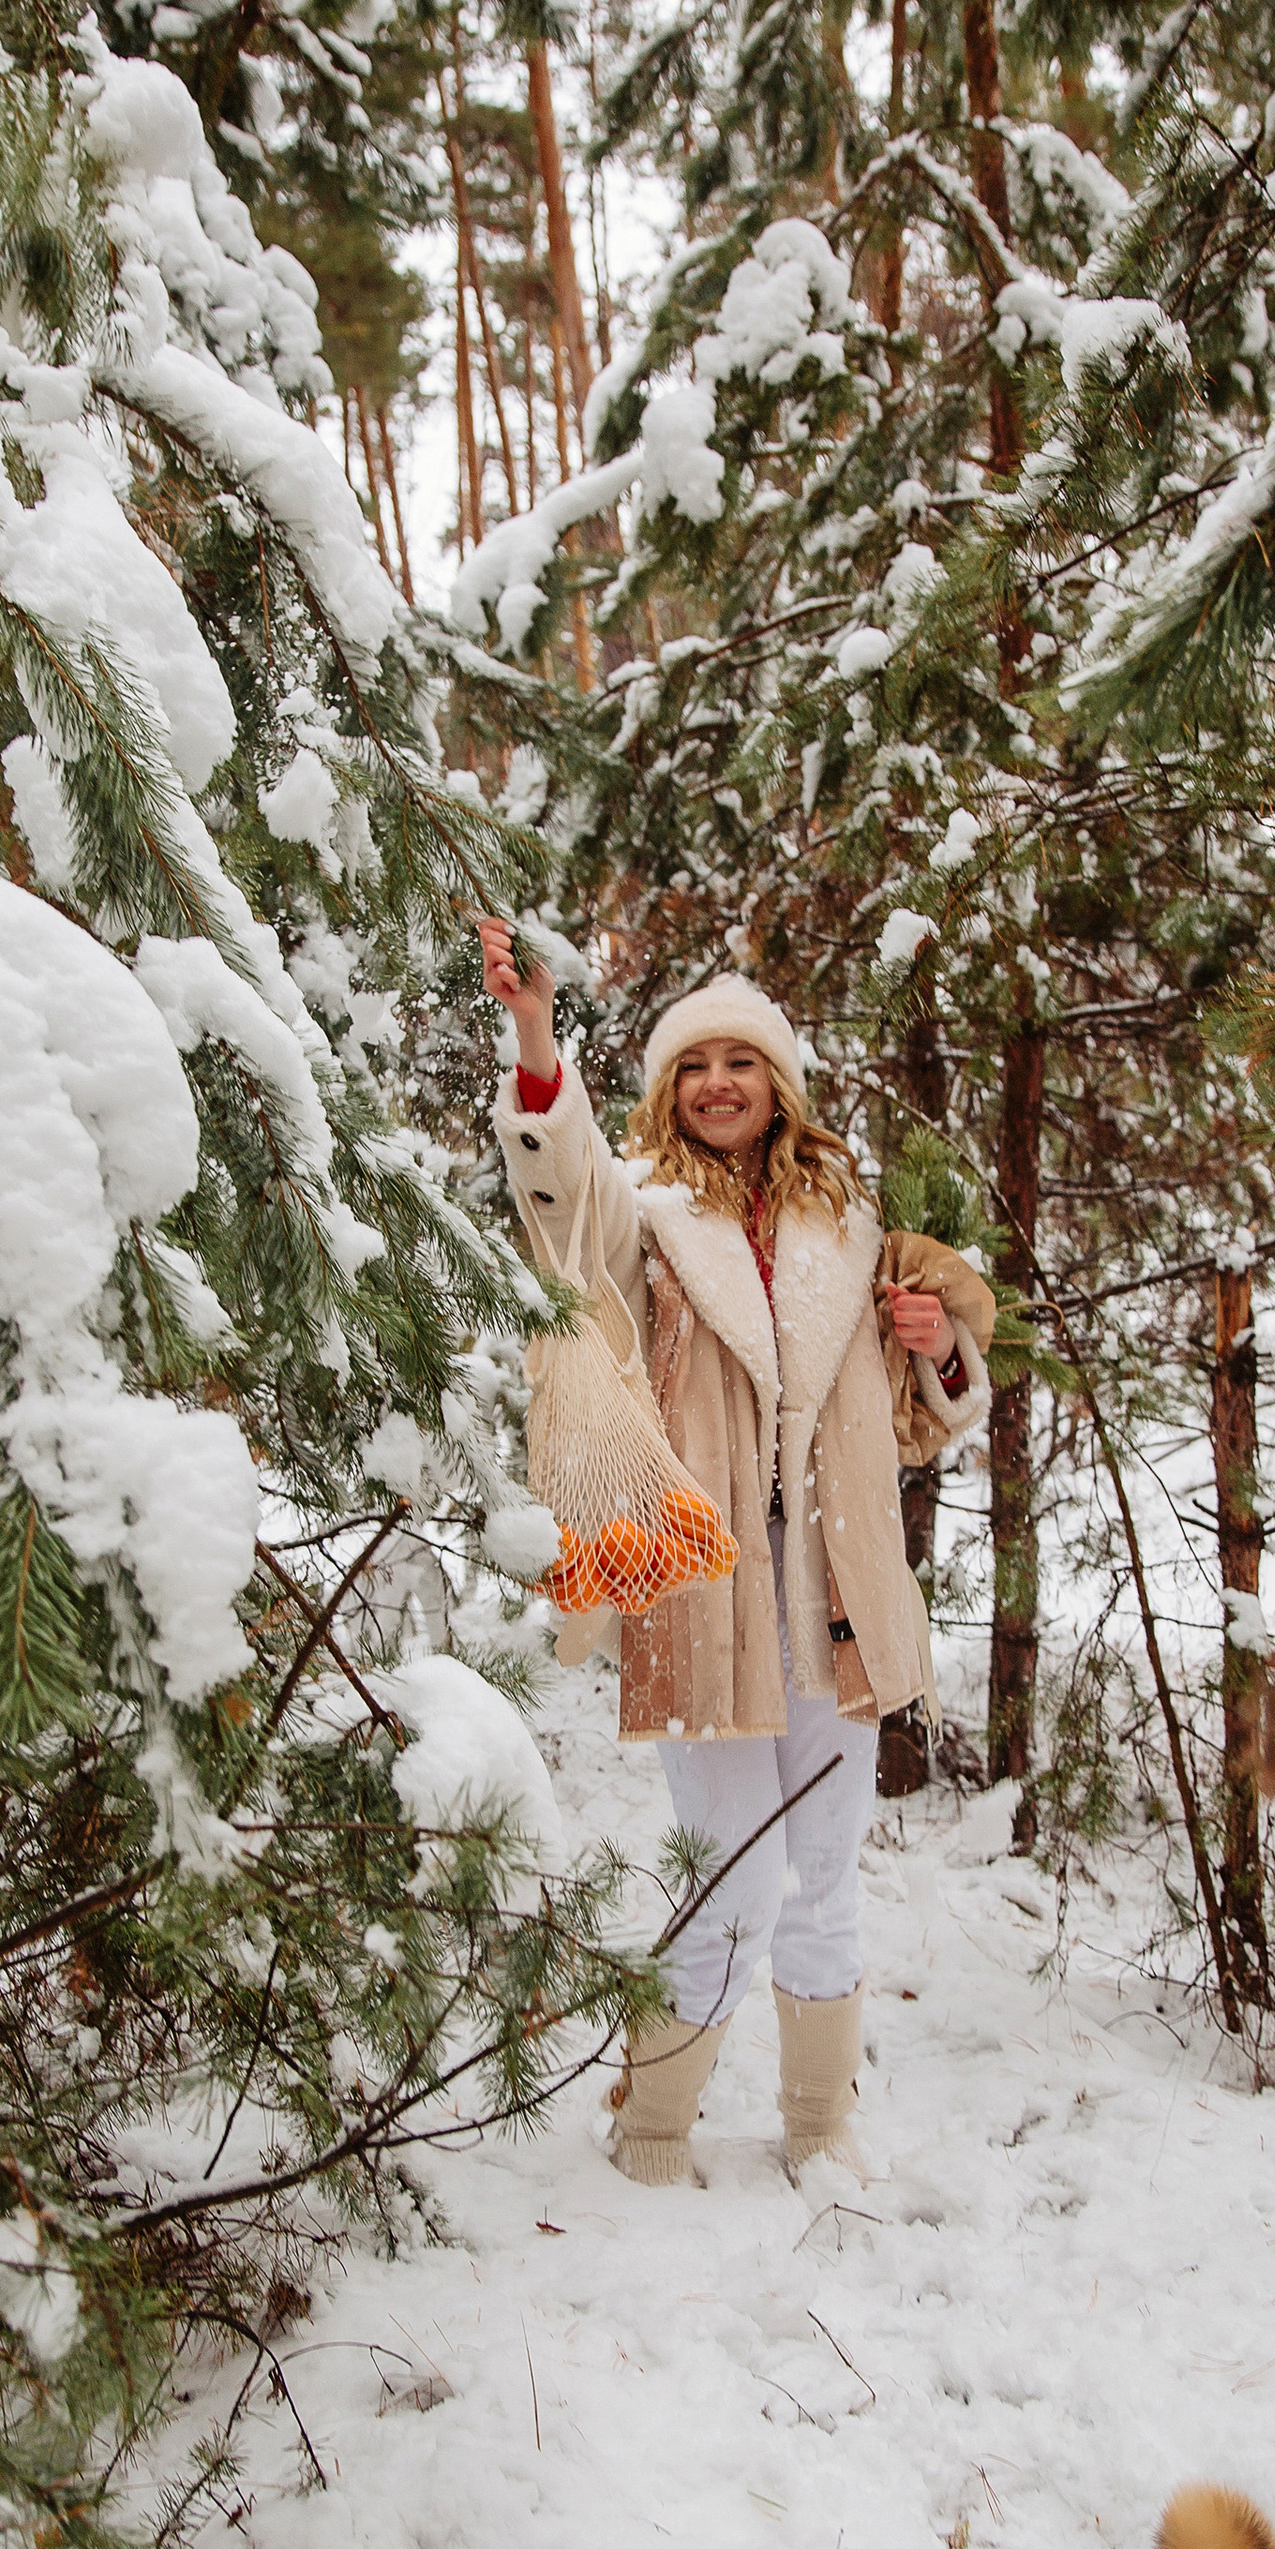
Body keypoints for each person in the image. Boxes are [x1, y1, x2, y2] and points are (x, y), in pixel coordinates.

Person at [478, 918, 994, 2184]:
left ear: (780, 1086)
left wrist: (937, 1348)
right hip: (699, 1583)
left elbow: (920, 1412)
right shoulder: (644, 1217)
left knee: (824, 1871)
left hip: (832, 1584)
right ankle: (653, 2125)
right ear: (670, 1090)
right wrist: (537, 1039)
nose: (718, 1084)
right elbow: (563, 1193)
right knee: (736, 1873)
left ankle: (819, 2124)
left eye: (741, 1062)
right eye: (695, 1066)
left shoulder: (850, 1229)